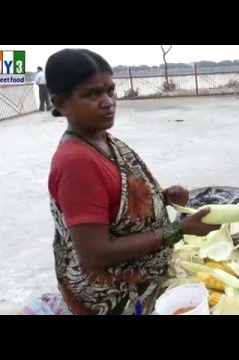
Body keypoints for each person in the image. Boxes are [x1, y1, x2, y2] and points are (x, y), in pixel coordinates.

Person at [44, 49, 218, 315]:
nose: (108, 102)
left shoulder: (101, 138)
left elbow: (116, 201)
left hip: (141, 269)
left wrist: (162, 196)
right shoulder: (76, 162)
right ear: (60, 103)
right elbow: (95, 253)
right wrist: (177, 230)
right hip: (111, 294)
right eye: (92, 94)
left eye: (110, 91)